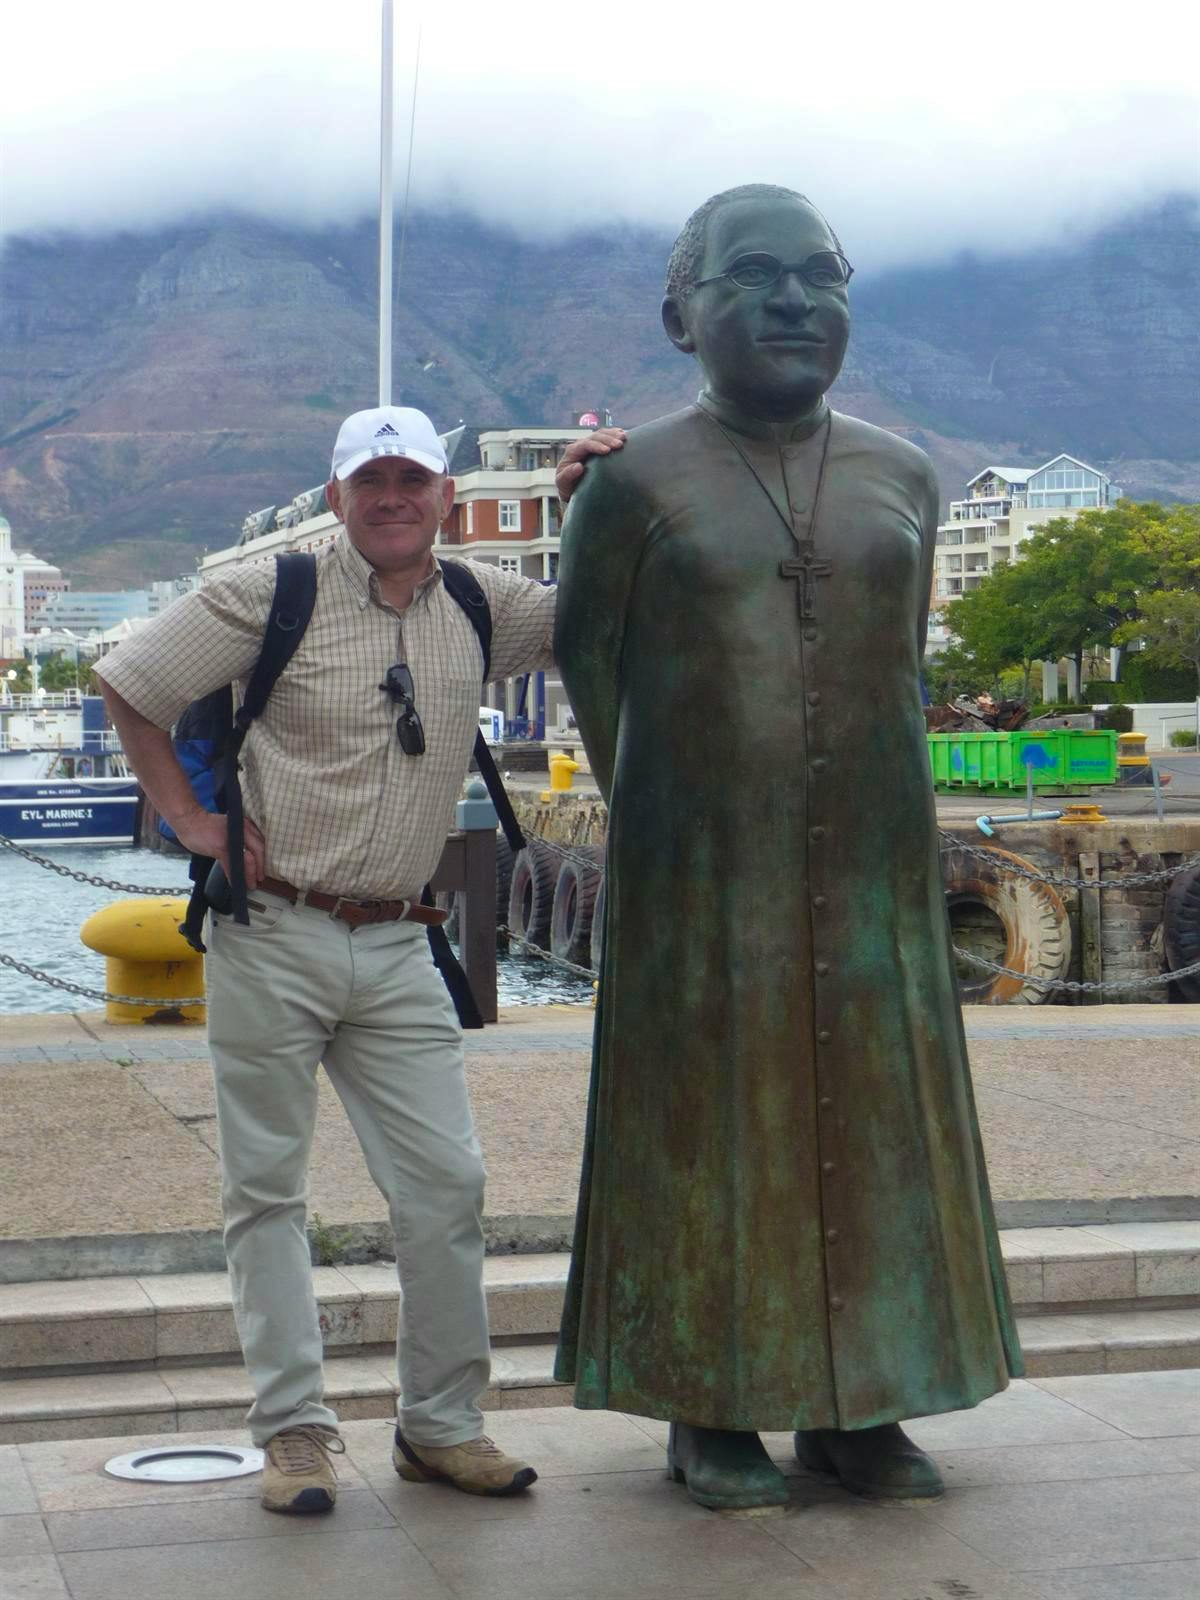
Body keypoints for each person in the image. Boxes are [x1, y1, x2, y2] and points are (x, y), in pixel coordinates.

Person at [552, 185, 1022, 1512]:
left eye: (821, 275)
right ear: (680, 313)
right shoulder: (636, 482)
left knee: (879, 1131)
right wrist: (687, 806)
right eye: (752, 277)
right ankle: (709, 1408)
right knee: (705, 1135)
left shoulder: (902, 474)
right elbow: (596, 667)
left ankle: (864, 1401)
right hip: (702, 878)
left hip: (873, 870)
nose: (793, 303)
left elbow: (897, 666)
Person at [95, 404, 612, 1515]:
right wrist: (188, 819)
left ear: (444, 497)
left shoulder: (481, 600)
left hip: (398, 940)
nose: (391, 499)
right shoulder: (267, 592)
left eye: (412, 480)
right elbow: (130, 680)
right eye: (369, 481)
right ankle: (294, 1434)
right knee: (267, 1191)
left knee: (446, 1187)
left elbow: (605, 617)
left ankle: (441, 1426)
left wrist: (590, 501)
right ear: (336, 496)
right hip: (272, 930)